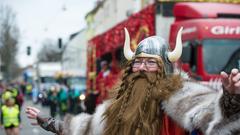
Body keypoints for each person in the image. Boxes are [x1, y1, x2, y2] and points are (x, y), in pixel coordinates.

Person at [25, 27, 240, 135]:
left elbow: (216, 118)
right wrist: (50, 123)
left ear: (164, 66)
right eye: (138, 63)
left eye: (150, 62)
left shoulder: (183, 95)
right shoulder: (124, 102)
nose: (142, 68)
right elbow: (89, 128)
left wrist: (231, 98)